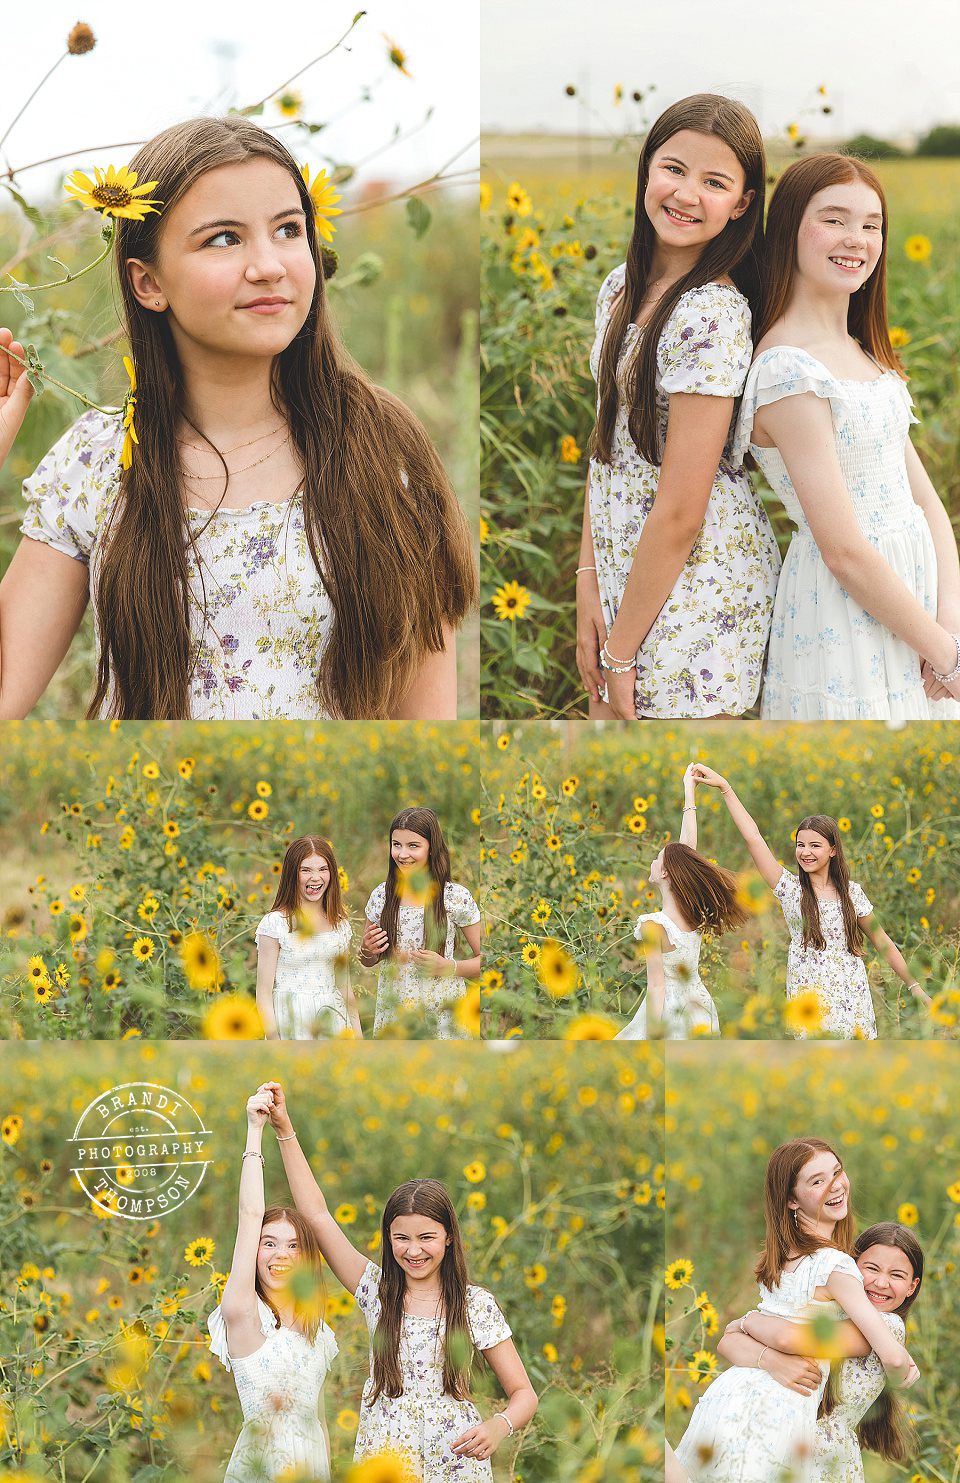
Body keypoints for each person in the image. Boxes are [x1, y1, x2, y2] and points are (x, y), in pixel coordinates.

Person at [0, 115, 475, 719]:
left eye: (287, 229)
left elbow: (426, 724)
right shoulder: (95, 460)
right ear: (147, 282)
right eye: (223, 238)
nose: (269, 265)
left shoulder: (380, 450)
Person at [733, 153, 960, 718]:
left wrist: (948, 622)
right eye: (834, 219)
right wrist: (943, 652)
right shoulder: (789, 368)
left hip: (919, 607)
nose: (855, 238)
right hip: (846, 616)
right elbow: (843, 551)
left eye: (871, 223)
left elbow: (926, 502)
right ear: (789, 228)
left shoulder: (863, 353)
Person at [576, 92, 779, 719]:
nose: (687, 194)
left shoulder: (711, 315)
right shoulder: (620, 285)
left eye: (714, 182)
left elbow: (683, 508)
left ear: (742, 204)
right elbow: (605, 441)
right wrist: (588, 580)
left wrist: (620, 651)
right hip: (627, 573)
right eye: (673, 169)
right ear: (645, 173)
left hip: (698, 587)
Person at [259, 1080, 538, 1479]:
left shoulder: (475, 1304)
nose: (413, 1250)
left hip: (455, 1460)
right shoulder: (377, 1290)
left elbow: (524, 1394)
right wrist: (283, 1128)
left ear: (449, 1237)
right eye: (401, 1238)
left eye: (426, 1237)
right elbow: (317, 1216)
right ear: (388, 1239)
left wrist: (500, 1424)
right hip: (385, 1454)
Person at [673, 1139, 917, 1483]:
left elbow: (731, 1338)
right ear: (790, 1200)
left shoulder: (783, 1260)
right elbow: (890, 1357)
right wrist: (903, 1371)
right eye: (817, 1181)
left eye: (836, 1172)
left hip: (732, 1394)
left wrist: (749, 1324)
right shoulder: (835, 1264)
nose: (835, 1185)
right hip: (779, 1411)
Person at [692, 764, 929, 1038]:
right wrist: (725, 788)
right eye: (800, 845)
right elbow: (753, 837)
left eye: (814, 845)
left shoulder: (852, 894)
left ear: (832, 850)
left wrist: (915, 987)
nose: (805, 852)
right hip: (809, 1006)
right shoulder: (790, 889)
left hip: (853, 1002)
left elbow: (884, 943)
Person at [717, 1222, 923, 1482]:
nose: (881, 1283)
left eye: (896, 1275)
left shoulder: (886, 1325)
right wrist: (772, 1360)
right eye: (871, 1269)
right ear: (851, 1268)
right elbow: (727, 1344)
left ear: (912, 1286)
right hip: (787, 1440)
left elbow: (785, 1338)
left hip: (818, 1455)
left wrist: (748, 1321)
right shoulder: (832, 1314)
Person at [207, 1087, 338, 1481]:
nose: (281, 1254)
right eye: (269, 1243)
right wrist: (254, 1129)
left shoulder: (321, 1334)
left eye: (294, 1245)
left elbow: (321, 1425)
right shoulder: (243, 1316)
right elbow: (250, 1214)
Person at [616, 764, 746, 1038]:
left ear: (664, 873)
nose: (652, 861)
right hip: (699, 1008)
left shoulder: (654, 925)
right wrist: (689, 791)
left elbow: (656, 988)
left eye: (657, 858)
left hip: (669, 1014)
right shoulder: (693, 913)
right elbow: (687, 851)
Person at [359, 807, 480, 1038]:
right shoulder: (382, 896)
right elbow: (367, 960)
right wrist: (367, 949)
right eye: (396, 845)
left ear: (432, 848)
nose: (402, 854)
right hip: (396, 1012)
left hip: (443, 1014)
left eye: (413, 845)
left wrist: (449, 967)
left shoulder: (454, 897)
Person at [255, 835, 362, 1039]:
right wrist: (274, 1040)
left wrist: (358, 1037)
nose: (316, 877)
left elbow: (345, 988)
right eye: (306, 870)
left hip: (332, 1020)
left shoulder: (340, 925)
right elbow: (263, 994)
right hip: (292, 1021)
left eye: (323, 869)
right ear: (291, 874)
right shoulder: (275, 924)